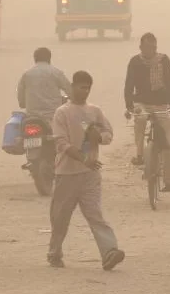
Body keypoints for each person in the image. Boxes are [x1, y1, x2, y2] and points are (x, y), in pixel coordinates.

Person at [49, 71, 124, 270]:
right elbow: (61, 144)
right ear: (73, 87)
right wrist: (84, 159)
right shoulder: (62, 112)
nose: (85, 91)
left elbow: (108, 134)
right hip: (67, 174)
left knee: (95, 215)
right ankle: (54, 252)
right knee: (60, 217)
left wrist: (98, 137)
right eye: (82, 87)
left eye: (88, 87)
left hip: (90, 175)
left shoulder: (94, 111)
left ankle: (109, 251)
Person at [124, 33, 170, 192]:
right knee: (139, 119)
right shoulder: (135, 62)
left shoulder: (163, 60)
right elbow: (129, 85)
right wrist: (129, 106)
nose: (151, 51)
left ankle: (169, 182)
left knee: (168, 143)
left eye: (153, 47)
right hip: (141, 102)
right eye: (148, 47)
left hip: (161, 104)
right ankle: (140, 155)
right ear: (141, 47)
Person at [17, 47, 72, 167]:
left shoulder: (27, 74)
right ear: (49, 59)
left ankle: (31, 159)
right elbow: (69, 90)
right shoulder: (56, 72)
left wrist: (23, 103)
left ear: (35, 59)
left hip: (32, 116)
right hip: (53, 115)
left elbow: (20, 96)